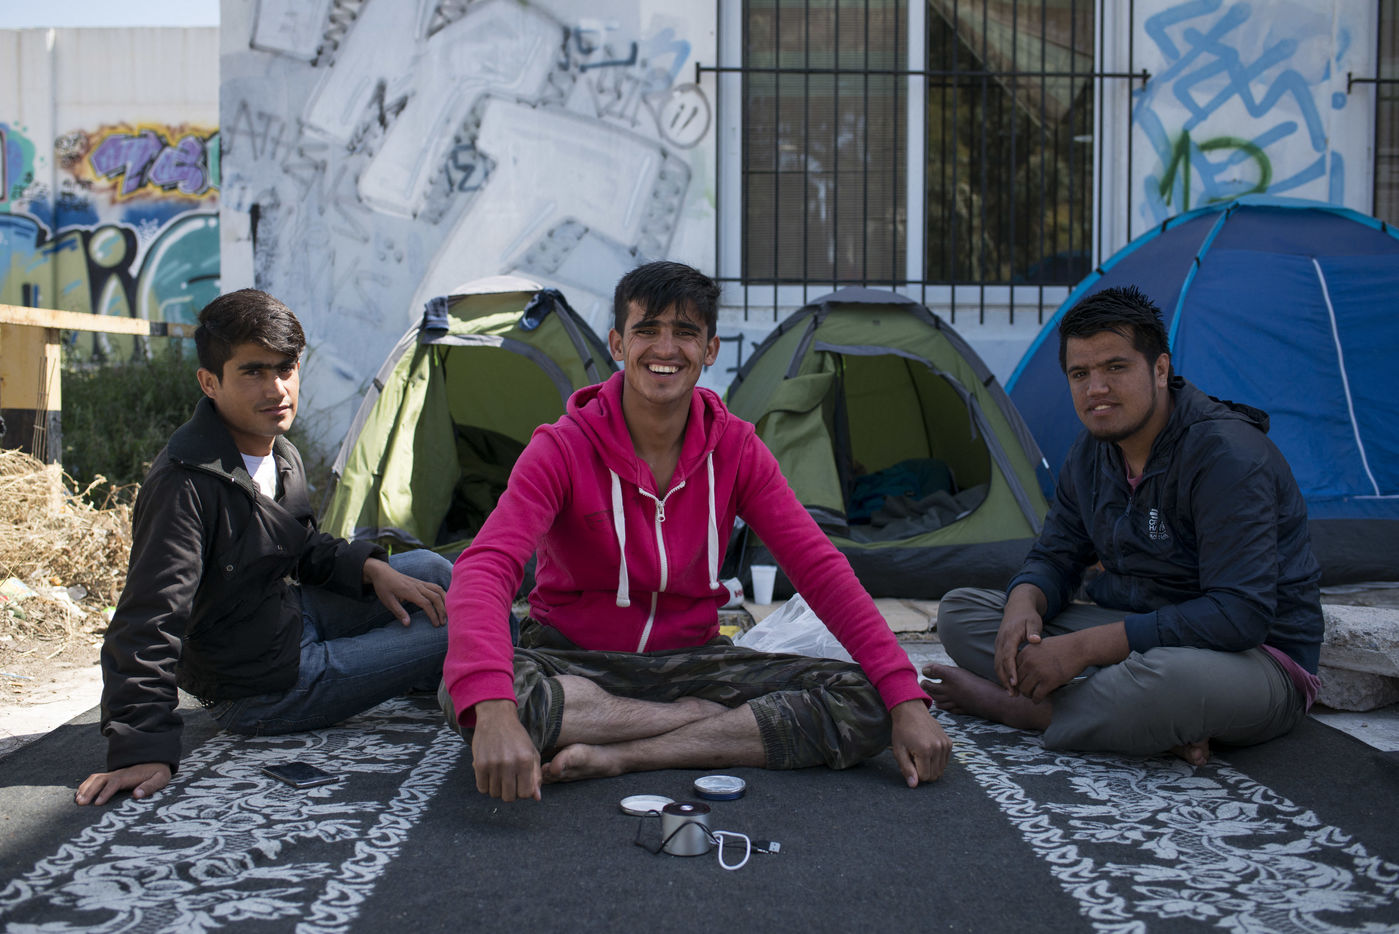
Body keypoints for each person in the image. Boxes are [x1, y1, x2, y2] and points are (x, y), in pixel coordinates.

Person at [440, 261, 951, 801]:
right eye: (647, 330)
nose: (665, 349)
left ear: (710, 349)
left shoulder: (737, 449)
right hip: (573, 658)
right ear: (618, 344)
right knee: (474, 694)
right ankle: (697, 724)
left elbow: (820, 569)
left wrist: (905, 697)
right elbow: (486, 567)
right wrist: (494, 710)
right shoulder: (562, 448)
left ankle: (627, 753)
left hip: (695, 664)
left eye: (685, 332)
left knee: (871, 699)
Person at [76, 289, 452, 806]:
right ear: (209, 382)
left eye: (286, 368)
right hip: (260, 688)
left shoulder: (281, 454)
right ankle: (460, 670)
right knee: (476, 625)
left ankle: (426, 669)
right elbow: (148, 619)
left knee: (431, 569)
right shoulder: (184, 484)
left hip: (285, 620)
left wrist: (370, 570)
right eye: (253, 371)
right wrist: (140, 747)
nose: (277, 389)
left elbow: (300, 545)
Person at [923, 286, 1323, 765]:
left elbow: (1240, 614)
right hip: (1141, 634)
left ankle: (1025, 710)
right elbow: (1055, 555)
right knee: (962, 612)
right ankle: (1142, 722)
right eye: (1080, 374)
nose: (1096, 389)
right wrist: (1023, 601)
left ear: (1160, 370)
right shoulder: (1091, 452)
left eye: (1115, 367)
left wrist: (1083, 649)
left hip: (1253, 659)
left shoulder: (1226, 456)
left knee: (1167, 683)